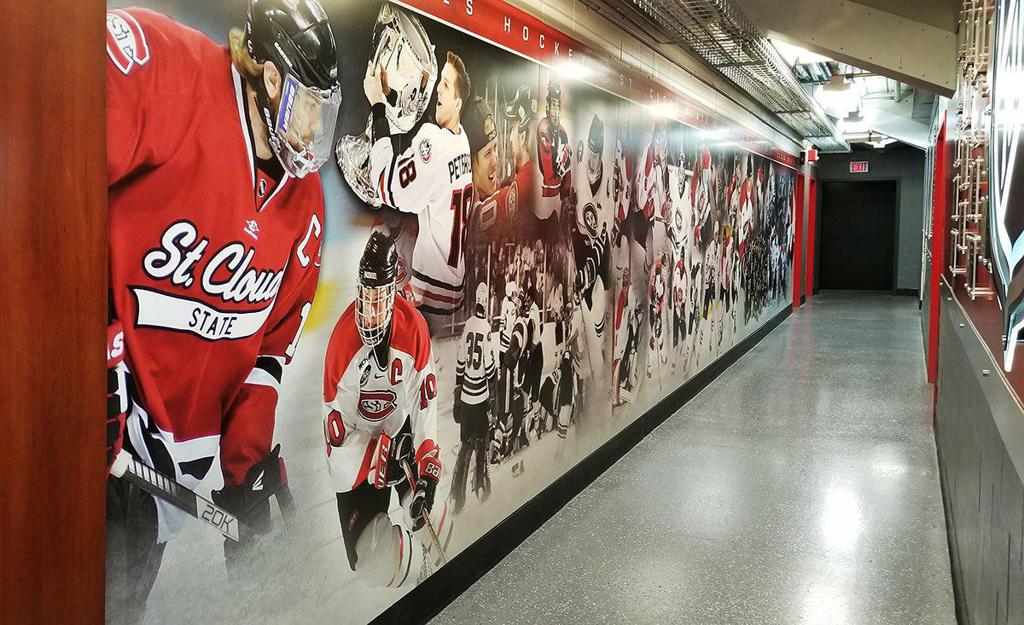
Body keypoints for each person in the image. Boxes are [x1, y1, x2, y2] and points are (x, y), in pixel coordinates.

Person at [105, 1, 339, 620]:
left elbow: (265, 352)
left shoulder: (305, 203)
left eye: (326, 111)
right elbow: (47, 162)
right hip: (85, 427)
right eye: (306, 105)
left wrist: (248, 475)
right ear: (265, 75)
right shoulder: (167, 70)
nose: (315, 131)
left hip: (153, 481)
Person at [323, 232, 451, 588]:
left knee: (437, 520)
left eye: (379, 297)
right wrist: (376, 457)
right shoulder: (340, 345)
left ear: (394, 291)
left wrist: (427, 468)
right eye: (366, 295)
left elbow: (424, 403)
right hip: (361, 458)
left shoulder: (413, 330)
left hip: (401, 438)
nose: (371, 307)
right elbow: (335, 443)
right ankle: (419, 579)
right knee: (372, 563)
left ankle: (441, 576)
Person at [365, 51, 473, 322]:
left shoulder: (436, 144)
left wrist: (377, 103)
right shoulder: (462, 140)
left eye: (445, 85)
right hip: (454, 288)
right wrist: (391, 97)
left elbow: (386, 185)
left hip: (430, 295)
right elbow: (423, 136)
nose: (438, 87)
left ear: (457, 103)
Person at [451, 283, 497, 512]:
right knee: (482, 440)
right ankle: (481, 485)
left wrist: (458, 392)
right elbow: (489, 367)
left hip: (466, 395)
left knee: (464, 445)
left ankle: (456, 496)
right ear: (485, 303)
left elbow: (460, 362)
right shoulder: (486, 327)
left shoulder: (468, 325)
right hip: (480, 396)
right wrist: (494, 376)